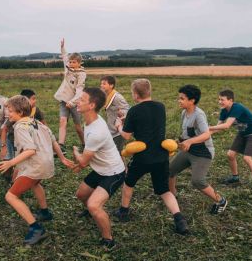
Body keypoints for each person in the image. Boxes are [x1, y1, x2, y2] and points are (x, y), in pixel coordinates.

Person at [114, 79, 189, 235]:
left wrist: (119, 125)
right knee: (164, 190)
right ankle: (179, 219)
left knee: (128, 183)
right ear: (149, 91)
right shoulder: (160, 107)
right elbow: (148, 122)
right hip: (161, 156)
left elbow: (127, 136)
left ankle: (123, 211)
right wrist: (128, 119)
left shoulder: (134, 111)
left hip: (142, 157)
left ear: (135, 94)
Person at [0, 95, 72, 245]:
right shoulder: (36, 122)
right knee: (35, 184)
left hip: (36, 165)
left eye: (10, 111)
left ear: (20, 111)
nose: (8, 114)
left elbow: (30, 150)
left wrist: (11, 162)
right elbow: (53, 140)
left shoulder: (19, 127)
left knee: (10, 196)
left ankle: (36, 229)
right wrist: (62, 158)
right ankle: (45, 212)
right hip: (45, 163)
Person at [72, 88, 126, 250]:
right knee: (81, 195)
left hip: (114, 173)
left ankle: (109, 240)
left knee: (94, 205)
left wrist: (76, 152)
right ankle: (91, 213)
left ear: (92, 105)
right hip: (100, 169)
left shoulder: (97, 132)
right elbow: (87, 160)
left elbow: (82, 162)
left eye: (81, 99)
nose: (77, 101)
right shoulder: (90, 119)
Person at [168, 85, 228, 214]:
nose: (179, 100)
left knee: (197, 181)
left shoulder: (199, 115)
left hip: (202, 153)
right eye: (179, 98)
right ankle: (172, 195)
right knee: (169, 171)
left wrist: (189, 141)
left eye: (182, 98)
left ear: (192, 100)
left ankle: (221, 201)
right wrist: (179, 142)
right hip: (189, 150)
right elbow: (187, 133)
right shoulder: (184, 112)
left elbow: (206, 134)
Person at [209, 89, 252, 193]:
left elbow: (226, 126)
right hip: (242, 132)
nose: (220, 102)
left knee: (247, 158)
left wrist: (208, 128)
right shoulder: (224, 110)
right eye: (219, 99)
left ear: (230, 100)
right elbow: (218, 127)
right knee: (230, 154)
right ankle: (235, 177)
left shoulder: (236, 108)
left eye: (222, 100)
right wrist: (206, 133)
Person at [54, 38, 86, 153]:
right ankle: (61, 145)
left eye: (74, 62)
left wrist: (72, 102)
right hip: (64, 100)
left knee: (78, 127)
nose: (71, 64)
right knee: (63, 121)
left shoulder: (81, 75)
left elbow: (79, 90)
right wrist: (62, 47)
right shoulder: (67, 68)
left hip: (75, 102)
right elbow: (65, 56)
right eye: (70, 62)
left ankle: (84, 144)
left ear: (79, 63)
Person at [99, 75, 130, 152]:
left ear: (111, 85)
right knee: (114, 154)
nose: (101, 85)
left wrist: (122, 113)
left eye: (104, 84)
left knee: (117, 154)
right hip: (109, 129)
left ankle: (123, 164)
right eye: (101, 83)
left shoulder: (117, 97)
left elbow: (127, 109)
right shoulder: (105, 95)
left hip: (117, 132)